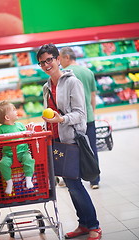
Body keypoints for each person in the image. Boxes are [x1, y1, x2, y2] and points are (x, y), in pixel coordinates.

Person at [37, 43, 102, 240]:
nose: (47, 64)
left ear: (58, 59)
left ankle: (93, 226)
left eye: (50, 59)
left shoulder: (73, 82)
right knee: (71, 186)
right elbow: (51, 114)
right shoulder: (46, 87)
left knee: (75, 185)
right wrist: (46, 126)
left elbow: (80, 115)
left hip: (72, 140)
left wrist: (61, 119)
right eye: (42, 62)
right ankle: (83, 224)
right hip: (56, 142)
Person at [59, 46, 100, 189]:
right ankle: (94, 180)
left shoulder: (65, 75)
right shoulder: (88, 72)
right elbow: (93, 96)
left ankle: (72, 178)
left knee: (71, 149)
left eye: (60, 58)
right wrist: (91, 112)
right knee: (91, 148)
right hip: (88, 117)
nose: (59, 62)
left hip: (73, 120)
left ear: (67, 58)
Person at [0, 101, 35, 194]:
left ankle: (29, 179)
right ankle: (9, 182)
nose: (16, 111)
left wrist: (29, 131)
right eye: (13, 110)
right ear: (7, 117)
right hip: (8, 155)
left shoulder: (20, 125)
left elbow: (28, 136)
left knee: (29, 160)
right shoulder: (1, 129)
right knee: (2, 164)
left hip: (24, 152)